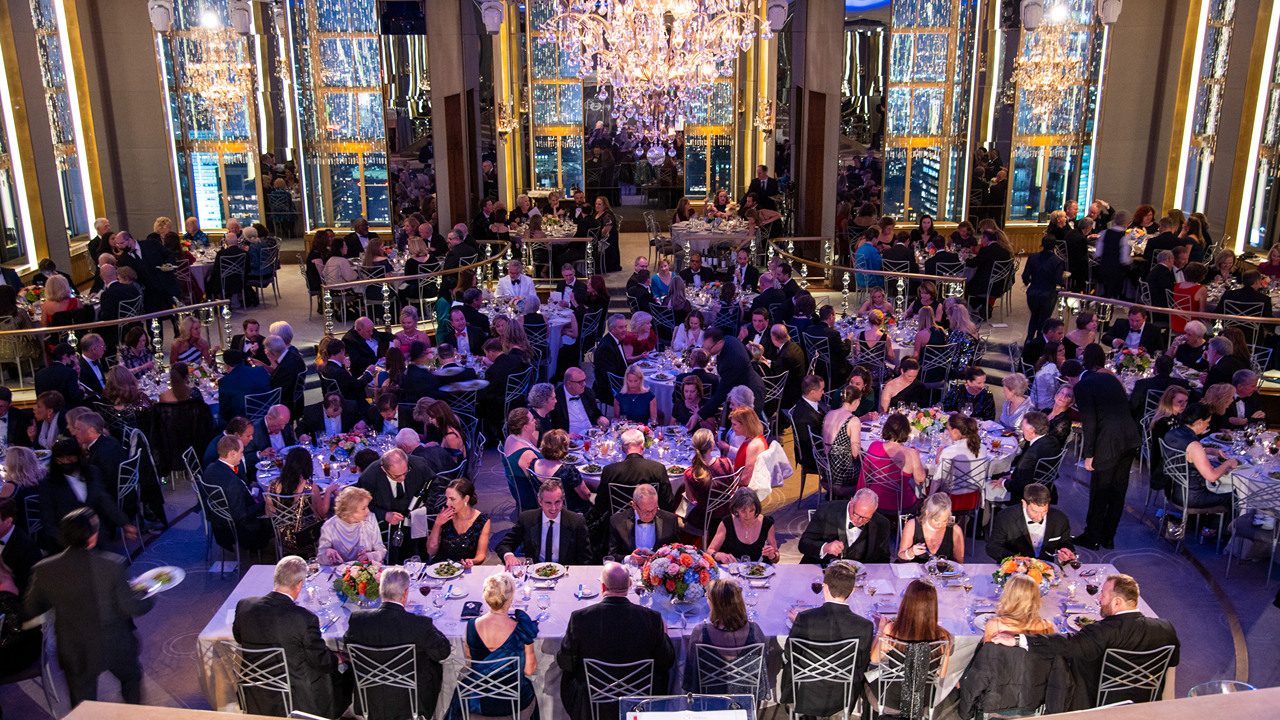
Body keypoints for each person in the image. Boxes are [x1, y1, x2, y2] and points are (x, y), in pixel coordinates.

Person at [25, 508, 155, 707]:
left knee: (83, 706)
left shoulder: (43, 570)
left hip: (76, 649)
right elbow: (133, 608)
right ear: (93, 537)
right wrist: (151, 593)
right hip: (116, 644)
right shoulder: (112, 565)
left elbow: (30, 610)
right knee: (131, 680)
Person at [991, 573, 1180, 709]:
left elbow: (1065, 643)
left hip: (1100, 700)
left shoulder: (1101, 631)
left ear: (1117, 603)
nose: (1098, 598)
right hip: (1146, 700)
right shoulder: (1166, 628)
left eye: (1103, 595)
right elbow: (1171, 667)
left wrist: (1019, 639)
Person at [557, 563, 676, 720]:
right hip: (641, 697)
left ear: (602, 586)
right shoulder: (652, 619)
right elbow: (667, 662)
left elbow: (566, 663)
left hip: (593, 701)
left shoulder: (580, 618)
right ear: (629, 584)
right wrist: (664, 634)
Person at [233, 556, 339, 717]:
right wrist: (337, 658)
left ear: (275, 578)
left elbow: (239, 638)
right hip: (295, 699)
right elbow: (322, 662)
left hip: (255, 693)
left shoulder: (244, 605)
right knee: (341, 675)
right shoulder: (304, 618)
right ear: (299, 585)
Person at [344, 566, 451, 719]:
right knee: (435, 664)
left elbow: (348, 647)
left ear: (380, 590)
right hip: (411, 700)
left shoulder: (358, 620)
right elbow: (443, 652)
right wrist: (430, 625)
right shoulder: (419, 624)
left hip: (371, 698)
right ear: (406, 593)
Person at [781, 561, 875, 717]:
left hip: (804, 693)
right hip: (842, 696)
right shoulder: (864, 626)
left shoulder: (804, 619)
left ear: (825, 587)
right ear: (852, 592)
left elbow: (790, 653)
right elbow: (862, 664)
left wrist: (797, 624)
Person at [1073, 344, 1142, 550]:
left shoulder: (1082, 386)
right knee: (1118, 491)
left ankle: (1092, 537)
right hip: (1129, 438)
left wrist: (1088, 454)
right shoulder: (1111, 378)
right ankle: (1108, 536)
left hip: (1107, 443)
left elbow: (1089, 423)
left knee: (1099, 491)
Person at [455, 572, 539, 718]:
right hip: (513, 704)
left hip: (478, 702)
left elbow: (470, 661)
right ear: (510, 598)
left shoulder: (471, 625)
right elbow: (529, 670)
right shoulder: (520, 628)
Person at [868, 579, 953, 715]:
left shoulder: (892, 630)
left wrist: (881, 629)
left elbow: (874, 658)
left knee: (865, 680)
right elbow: (941, 674)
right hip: (923, 700)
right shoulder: (942, 636)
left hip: (892, 697)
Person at [682, 578, 768, 697]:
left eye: (708, 598)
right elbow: (764, 662)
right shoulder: (754, 630)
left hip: (710, 697)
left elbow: (691, 672)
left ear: (714, 604)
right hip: (745, 695)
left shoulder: (700, 632)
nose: (707, 601)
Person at [497, 477, 592, 567]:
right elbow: (504, 545)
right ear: (540, 502)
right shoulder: (527, 519)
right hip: (536, 574)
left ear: (562, 501)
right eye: (548, 503)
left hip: (565, 574)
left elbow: (586, 558)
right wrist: (508, 555)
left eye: (557, 502)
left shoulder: (576, 521)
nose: (553, 508)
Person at [200, 436, 272, 551]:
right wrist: (266, 503)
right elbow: (241, 516)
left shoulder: (210, 468)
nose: (242, 456)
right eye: (241, 452)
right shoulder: (233, 482)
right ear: (232, 453)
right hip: (240, 531)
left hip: (219, 524)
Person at [1162, 402, 1239, 509]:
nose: (1208, 425)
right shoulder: (1194, 445)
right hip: (1192, 497)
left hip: (1171, 491)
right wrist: (1229, 463)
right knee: (1237, 496)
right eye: (1207, 422)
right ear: (1199, 422)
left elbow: (1183, 452)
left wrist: (1207, 450)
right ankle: (1218, 525)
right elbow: (1212, 476)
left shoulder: (1172, 433)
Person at [986, 483, 1077, 563]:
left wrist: (1066, 551)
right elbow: (992, 547)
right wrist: (1015, 559)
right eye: (1035, 511)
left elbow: (1066, 543)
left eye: (1044, 511)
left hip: (1046, 570)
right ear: (1024, 503)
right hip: (1015, 570)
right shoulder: (1006, 516)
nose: (1040, 517)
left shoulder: (1060, 518)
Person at [799, 489, 892, 564]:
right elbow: (803, 544)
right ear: (851, 502)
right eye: (856, 514)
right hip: (822, 570)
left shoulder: (882, 523)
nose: (859, 521)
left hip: (858, 579)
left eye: (866, 518)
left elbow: (884, 558)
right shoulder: (826, 511)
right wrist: (825, 547)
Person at [993, 411, 1063, 503]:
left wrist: (1003, 483)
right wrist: (1012, 475)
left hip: (1027, 493)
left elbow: (1022, 485)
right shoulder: (1053, 441)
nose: (1022, 428)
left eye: (1024, 427)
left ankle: (996, 513)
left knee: (990, 479)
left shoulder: (1031, 454)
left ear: (1032, 430)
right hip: (1044, 484)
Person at [682, 427, 742, 532]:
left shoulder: (689, 473)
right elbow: (733, 489)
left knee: (678, 511)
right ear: (712, 446)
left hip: (704, 521)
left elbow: (690, 499)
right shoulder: (726, 463)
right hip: (727, 515)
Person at [607, 482, 680, 564]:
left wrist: (656, 557)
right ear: (634, 505)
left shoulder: (670, 520)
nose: (650, 515)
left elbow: (677, 552)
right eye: (646, 511)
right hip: (630, 569)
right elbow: (611, 556)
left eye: (654, 509)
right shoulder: (617, 521)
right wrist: (629, 559)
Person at [426, 478, 490, 567]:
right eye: (447, 498)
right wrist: (437, 524)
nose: (447, 503)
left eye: (452, 499)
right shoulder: (444, 517)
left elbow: (481, 555)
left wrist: (472, 561)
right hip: (441, 567)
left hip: (464, 569)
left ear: (466, 499)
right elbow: (430, 551)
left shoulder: (481, 520)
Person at [317, 486, 387, 565]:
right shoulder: (329, 526)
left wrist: (369, 556)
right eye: (364, 508)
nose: (368, 511)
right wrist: (327, 553)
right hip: (340, 573)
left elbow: (381, 550)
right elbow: (320, 559)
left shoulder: (370, 518)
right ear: (350, 511)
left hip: (366, 570)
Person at [707, 487, 779, 563]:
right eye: (743, 511)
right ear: (736, 509)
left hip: (760, 572)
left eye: (752, 511)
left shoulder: (767, 524)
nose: (748, 516)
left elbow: (776, 557)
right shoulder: (727, 522)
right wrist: (718, 555)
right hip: (734, 571)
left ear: (757, 508)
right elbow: (709, 551)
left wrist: (773, 555)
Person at [896, 492, 965, 563]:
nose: (940, 525)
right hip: (916, 573)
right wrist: (911, 552)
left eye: (945, 521)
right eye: (936, 520)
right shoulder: (912, 525)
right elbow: (901, 559)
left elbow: (959, 564)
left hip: (944, 573)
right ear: (927, 513)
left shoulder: (955, 531)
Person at [1022, 236, 1065, 342]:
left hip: (1032, 293)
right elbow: (1058, 280)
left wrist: (1029, 282)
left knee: (1034, 316)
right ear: (1055, 246)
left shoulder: (1032, 257)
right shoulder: (1058, 260)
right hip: (1048, 294)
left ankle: (1029, 339)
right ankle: (1039, 342)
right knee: (1044, 320)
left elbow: (1025, 276)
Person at [217, 349, 271, 424]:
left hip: (242, 421)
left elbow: (224, 413)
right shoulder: (261, 370)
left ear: (227, 365)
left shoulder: (225, 381)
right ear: (242, 360)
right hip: (267, 413)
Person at [1031, 341, 1065, 410]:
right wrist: (1063, 367)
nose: (1063, 352)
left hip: (1036, 401)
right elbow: (1061, 386)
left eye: (1064, 349)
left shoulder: (1043, 361)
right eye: (1060, 351)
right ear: (1052, 353)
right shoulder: (1051, 367)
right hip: (1045, 405)